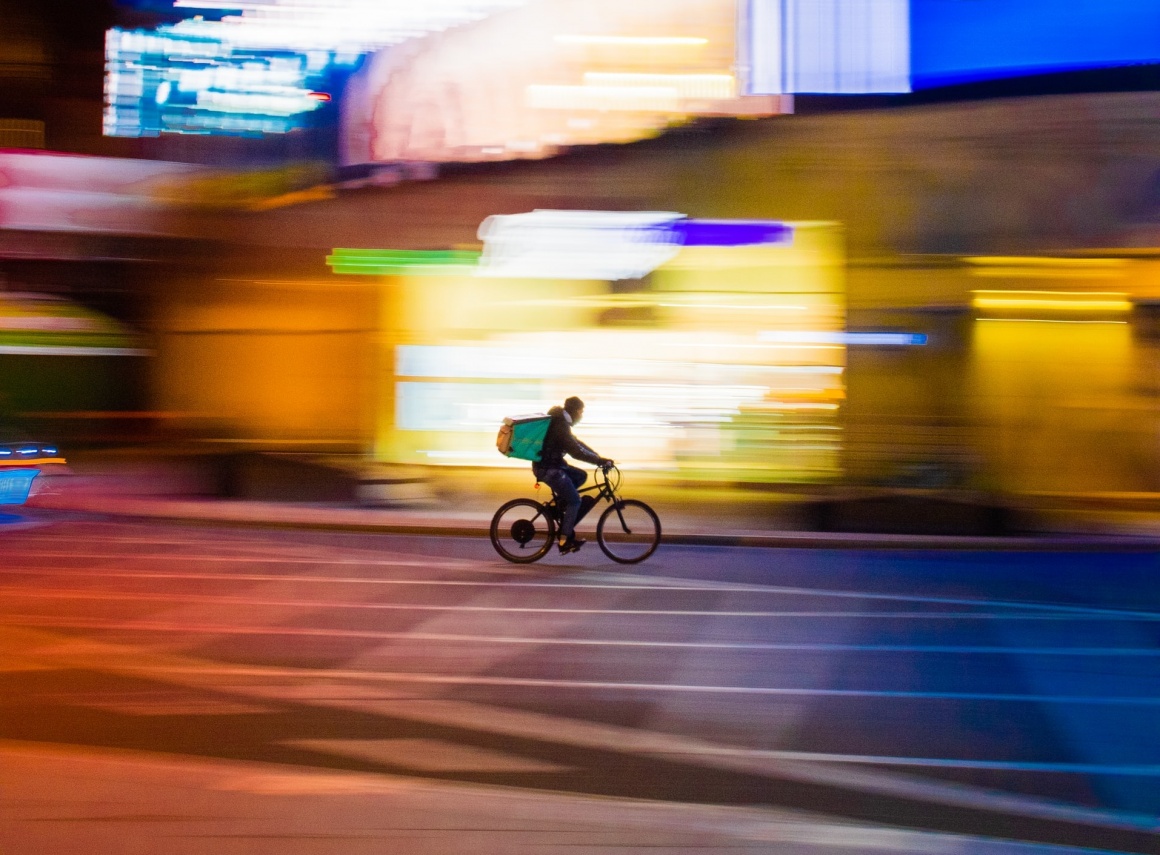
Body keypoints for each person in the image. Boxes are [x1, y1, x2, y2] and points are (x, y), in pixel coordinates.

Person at [532, 396, 612, 554]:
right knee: (575, 501)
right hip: (549, 469)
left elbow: (577, 443)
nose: (581, 416)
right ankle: (564, 540)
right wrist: (598, 461)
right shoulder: (560, 425)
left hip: (553, 465)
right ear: (575, 411)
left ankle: (559, 507)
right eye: (581, 412)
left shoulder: (561, 421)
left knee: (580, 476)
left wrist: (598, 457)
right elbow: (575, 452)